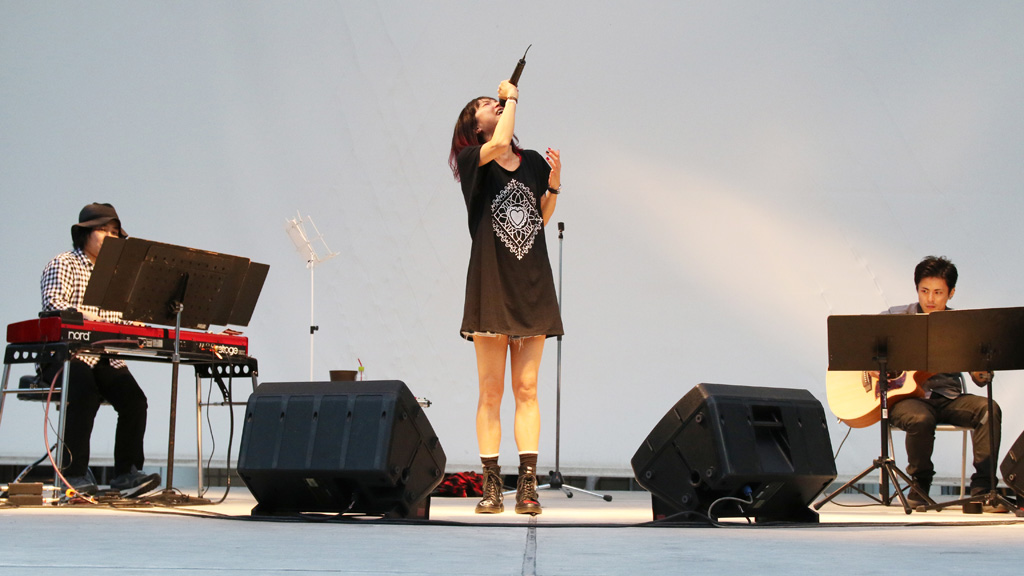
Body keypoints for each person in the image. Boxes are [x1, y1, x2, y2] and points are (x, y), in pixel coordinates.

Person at [449, 80, 563, 515]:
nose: (494, 104)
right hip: (491, 285)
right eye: (485, 105)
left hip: (531, 284)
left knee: (527, 388)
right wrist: (512, 98)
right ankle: (492, 486)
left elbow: (538, 217)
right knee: (492, 390)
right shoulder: (474, 159)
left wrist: (554, 187)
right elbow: (499, 143)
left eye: (496, 101)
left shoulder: (530, 161)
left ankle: (528, 486)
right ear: (474, 127)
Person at [39, 203, 161, 498]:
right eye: (102, 230)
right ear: (85, 234)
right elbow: (53, 305)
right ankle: (73, 474)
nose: (109, 237)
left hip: (105, 356)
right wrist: (91, 318)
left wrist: (142, 324)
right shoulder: (64, 263)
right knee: (84, 392)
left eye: (114, 232)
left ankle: (127, 474)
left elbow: (125, 318)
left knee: (135, 401)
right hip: (65, 354)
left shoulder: (118, 275)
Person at [883, 256, 1001, 510]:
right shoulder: (895, 318)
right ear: (916, 289)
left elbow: (979, 379)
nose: (930, 299)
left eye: (938, 293)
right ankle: (920, 483)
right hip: (908, 398)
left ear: (951, 293)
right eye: (924, 291)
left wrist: (982, 371)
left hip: (948, 396)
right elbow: (865, 353)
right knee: (920, 418)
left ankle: (983, 489)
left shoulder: (961, 326)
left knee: (989, 409)